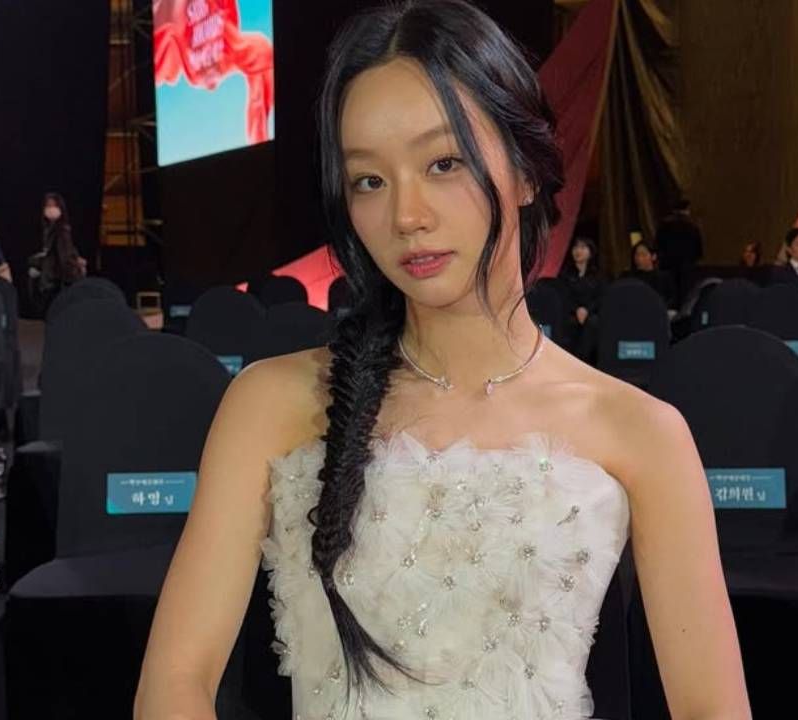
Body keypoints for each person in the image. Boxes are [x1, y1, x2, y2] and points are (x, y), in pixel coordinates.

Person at [135, 2, 750, 719]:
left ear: (526, 172)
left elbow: (712, 706)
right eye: (369, 180)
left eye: (443, 163)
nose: (406, 215)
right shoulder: (270, 404)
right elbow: (175, 680)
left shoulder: (641, 432)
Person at [28, 192, 84, 312]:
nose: (50, 209)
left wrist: (74, 270)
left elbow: (65, 256)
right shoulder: (48, 230)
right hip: (50, 279)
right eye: (48, 206)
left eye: (54, 205)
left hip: (56, 281)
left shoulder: (62, 231)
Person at [655, 200, 703, 302]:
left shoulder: (664, 225)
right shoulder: (693, 227)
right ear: (687, 210)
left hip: (667, 267)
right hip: (686, 268)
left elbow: (658, 246)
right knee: (685, 297)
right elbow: (698, 251)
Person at [620, 240, 678, 307]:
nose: (639, 258)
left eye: (643, 254)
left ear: (653, 256)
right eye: (637, 255)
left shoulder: (664, 276)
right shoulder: (628, 276)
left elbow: (673, 299)